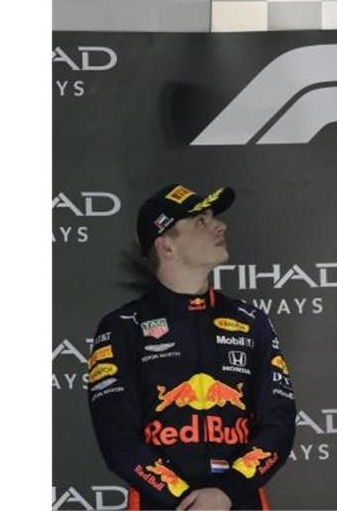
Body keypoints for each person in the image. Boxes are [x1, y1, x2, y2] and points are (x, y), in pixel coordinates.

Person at [86, 184, 297, 510]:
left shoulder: (251, 321)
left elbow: (278, 425)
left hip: (239, 501)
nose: (220, 226)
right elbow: (119, 441)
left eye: (213, 218)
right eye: (200, 221)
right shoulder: (122, 327)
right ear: (166, 246)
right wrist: (185, 500)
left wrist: (227, 491)